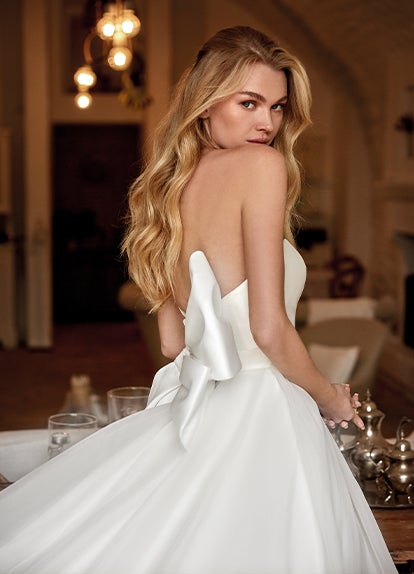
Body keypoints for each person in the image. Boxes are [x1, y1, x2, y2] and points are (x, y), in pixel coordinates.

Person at [0, 26, 397, 574]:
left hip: (195, 405)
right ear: (205, 105)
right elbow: (268, 329)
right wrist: (330, 397)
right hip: (260, 410)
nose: (267, 123)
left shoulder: (170, 189)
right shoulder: (262, 168)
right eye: (249, 102)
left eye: (278, 107)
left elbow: (171, 342)